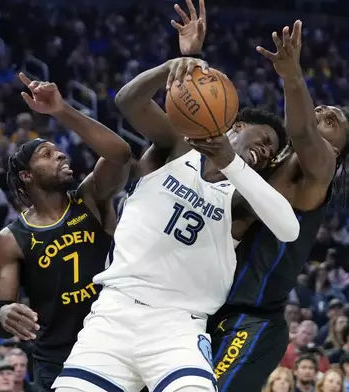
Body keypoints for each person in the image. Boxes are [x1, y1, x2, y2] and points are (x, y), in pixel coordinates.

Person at [52, 3, 299, 392]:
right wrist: (175, 67)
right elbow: (128, 102)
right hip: (114, 315)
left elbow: (288, 228)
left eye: (272, 154)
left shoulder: (243, 194)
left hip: (178, 327)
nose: (267, 152)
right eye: (265, 140)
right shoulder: (177, 148)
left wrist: (233, 163)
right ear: (235, 125)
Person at [207, 17, 349, 392]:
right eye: (321, 107)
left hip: (252, 320)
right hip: (207, 307)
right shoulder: (263, 164)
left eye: (333, 119)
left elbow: (303, 131)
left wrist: (292, 76)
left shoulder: (318, 174)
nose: (323, 111)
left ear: (337, 150)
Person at [0, 73, 131, 392]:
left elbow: (120, 154)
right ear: (27, 175)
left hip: (114, 347)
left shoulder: (91, 198)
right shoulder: (11, 238)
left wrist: (60, 110)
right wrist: (5, 314)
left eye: (59, 151)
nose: (61, 155)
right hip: (57, 360)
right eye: (47, 155)